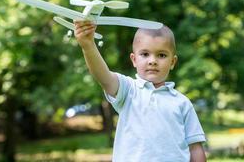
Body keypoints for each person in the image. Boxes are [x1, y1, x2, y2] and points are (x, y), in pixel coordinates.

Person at [74, 20, 206, 162]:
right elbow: (103, 76)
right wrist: (88, 45)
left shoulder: (182, 102)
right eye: (145, 54)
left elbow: (195, 147)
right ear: (134, 59)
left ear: (172, 62)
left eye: (161, 55)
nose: (152, 61)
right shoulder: (128, 90)